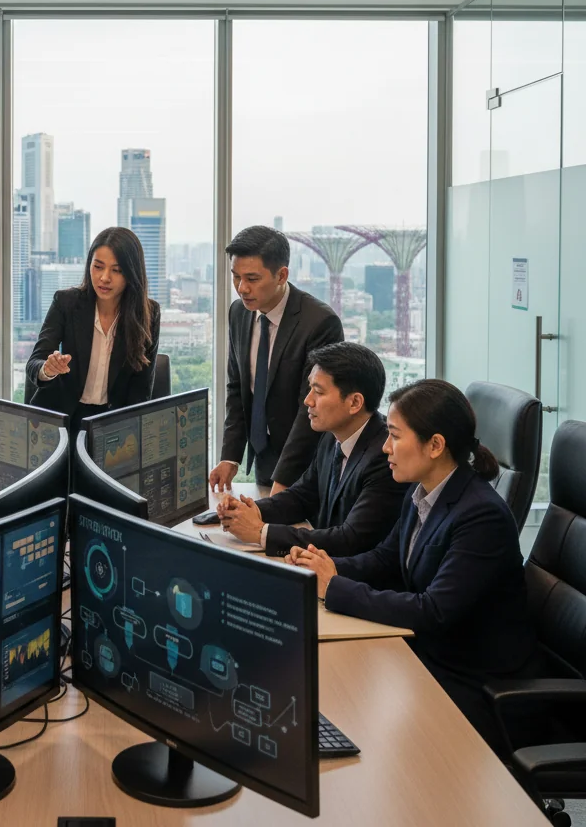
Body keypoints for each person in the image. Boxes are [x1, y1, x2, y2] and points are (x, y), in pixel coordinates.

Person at [288, 379, 538, 753]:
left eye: (394, 436)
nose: (385, 448)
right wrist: (322, 568)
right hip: (431, 657)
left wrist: (335, 587)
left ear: (435, 445)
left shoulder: (481, 516)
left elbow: (433, 610)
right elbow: (386, 560)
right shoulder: (421, 491)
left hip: (475, 683)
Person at [217, 342, 407, 557]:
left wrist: (260, 532)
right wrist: (249, 511)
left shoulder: (385, 456)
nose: (308, 400)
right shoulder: (331, 436)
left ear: (355, 402)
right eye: (310, 389)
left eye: (318, 392)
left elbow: (351, 539)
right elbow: (303, 496)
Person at [210, 225, 343, 494]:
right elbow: (238, 390)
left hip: (308, 464)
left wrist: (283, 482)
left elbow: (312, 410)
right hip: (264, 457)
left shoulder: (319, 323)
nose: (242, 288)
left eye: (252, 278)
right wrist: (230, 457)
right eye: (236, 277)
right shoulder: (239, 313)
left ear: (281, 275)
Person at [25, 227, 162, 439]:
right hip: (60, 421)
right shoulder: (66, 303)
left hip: (113, 423)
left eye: (116, 270)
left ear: (132, 273)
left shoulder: (148, 314)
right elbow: (34, 363)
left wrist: (126, 439)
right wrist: (48, 369)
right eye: (98, 267)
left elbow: (141, 391)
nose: (104, 278)